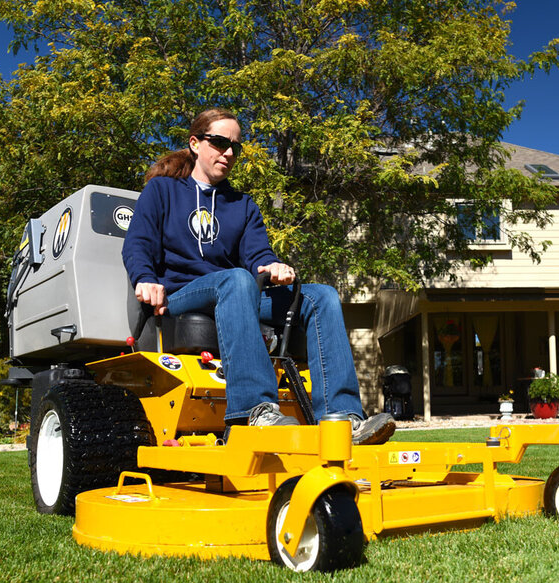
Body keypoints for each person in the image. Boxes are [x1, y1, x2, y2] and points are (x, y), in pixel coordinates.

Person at [122, 108, 395, 445]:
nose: (229, 153)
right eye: (220, 142)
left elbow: (258, 256)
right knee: (235, 279)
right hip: (181, 295)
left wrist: (273, 266)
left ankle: (342, 419)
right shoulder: (162, 191)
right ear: (195, 143)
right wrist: (144, 278)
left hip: (234, 295)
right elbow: (137, 244)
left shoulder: (242, 204)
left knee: (319, 296)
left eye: (236, 146)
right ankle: (256, 411)